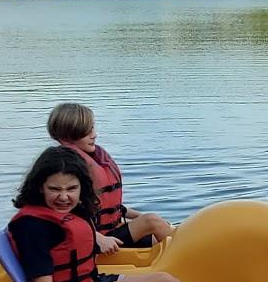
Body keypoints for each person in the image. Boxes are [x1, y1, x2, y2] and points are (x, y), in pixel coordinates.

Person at [9, 146, 268, 282]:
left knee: (171, 281)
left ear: (81, 187)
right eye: (54, 189)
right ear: (39, 187)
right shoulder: (34, 226)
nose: (64, 196)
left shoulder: (69, 212)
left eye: (71, 188)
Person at [46, 103, 174, 254]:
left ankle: (184, 256)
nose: (94, 135)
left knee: (159, 235)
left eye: (92, 128)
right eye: (86, 132)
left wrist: (138, 216)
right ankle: (190, 261)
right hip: (93, 241)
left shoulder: (86, 161)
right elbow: (58, 212)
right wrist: (97, 237)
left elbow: (107, 206)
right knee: (151, 222)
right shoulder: (64, 167)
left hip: (108, 232)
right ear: (69, 134)